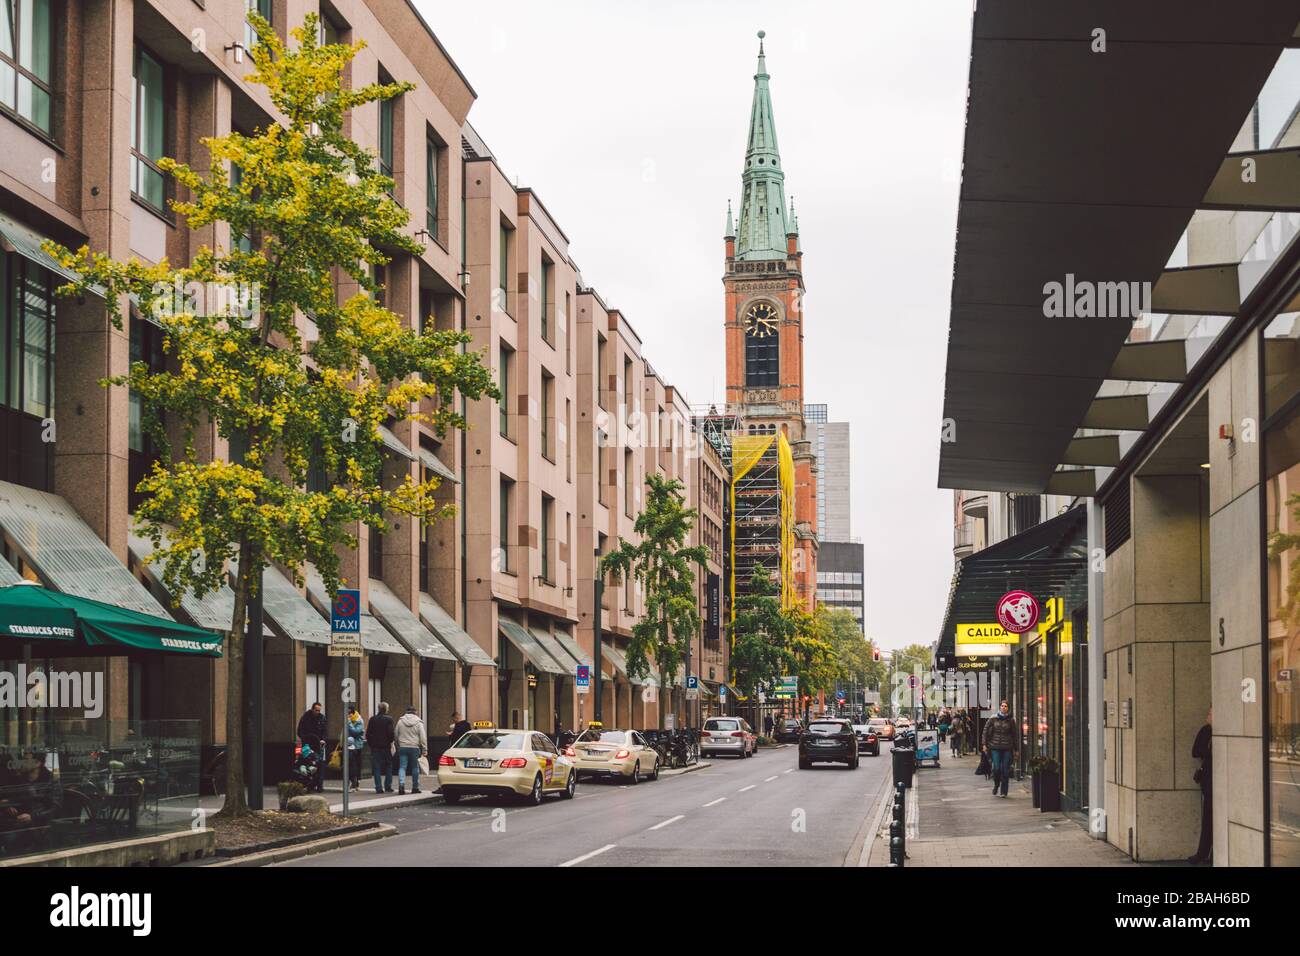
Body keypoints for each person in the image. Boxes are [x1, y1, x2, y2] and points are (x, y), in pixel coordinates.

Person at [1189, 706, 1213, 864]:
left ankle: (1211, 854)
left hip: (1221, 780)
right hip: (1209, 780)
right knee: (1208, 817)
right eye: (1209, 712)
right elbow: (1195, 751)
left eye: (1211, 713)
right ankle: (1203, 853)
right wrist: (1210, 751)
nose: (1208, 716)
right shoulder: (1206, 731)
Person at [982, 699, 1018, 797]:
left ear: (1008, 708)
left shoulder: (1011, 720)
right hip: (995, 747)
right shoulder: (993, 718)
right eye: (1002, 706)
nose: (1004, 707)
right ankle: (996, 784)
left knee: (1005, 770)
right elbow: (985, 731)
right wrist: (984, 744)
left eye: (1006, 706)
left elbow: (1015, 735)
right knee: (996, 768)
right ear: (1000, 707)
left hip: (1007, 747)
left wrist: (1016, 749)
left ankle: (1004, 791)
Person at [394, 705, 428, 795]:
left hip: (403, 747)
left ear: (406, 712)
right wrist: (425, 749)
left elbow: (396, 734)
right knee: (415, 767)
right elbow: (423, 737)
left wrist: (398, 745)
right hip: (414, 748)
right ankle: (415, 787)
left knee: (402, 767)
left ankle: (401, 785)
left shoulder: (400, 721)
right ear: (415, 712)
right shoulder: (419, 723)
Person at [296, 702, 327, 792]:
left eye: (319, 710)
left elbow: (324, 731)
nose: (318, 712)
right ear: (312, 709)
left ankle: (319, 784)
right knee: (308, 763)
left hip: (318, 744)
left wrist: (323, 739)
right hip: (308, 744)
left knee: (320, 764)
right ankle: (310, 784)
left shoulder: (322, 718)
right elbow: (300, 731)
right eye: (316, 710)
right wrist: (305, 739)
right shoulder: (305, 718)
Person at [366, 701, 396, 794]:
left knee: (376, 767)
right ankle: (388, 786)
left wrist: (371, 744)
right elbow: (391, 733)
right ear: (386, 709)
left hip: (375, 747)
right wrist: (391, 742)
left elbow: (368, 734)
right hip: (386, 746)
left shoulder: (372, 719)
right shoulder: (389, 719)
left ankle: (378, 787)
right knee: (388, 766)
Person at [345, 705, 365, 791]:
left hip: (356, 746)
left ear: (352, 713)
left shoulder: (358, 720)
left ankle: (355, 783)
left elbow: (356, 732)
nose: (348, 715)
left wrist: (349, 723)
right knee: (350, 765)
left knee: (354, 765)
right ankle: (354, 783)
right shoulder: (348, 720)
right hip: (348, 746)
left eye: (349, 713)